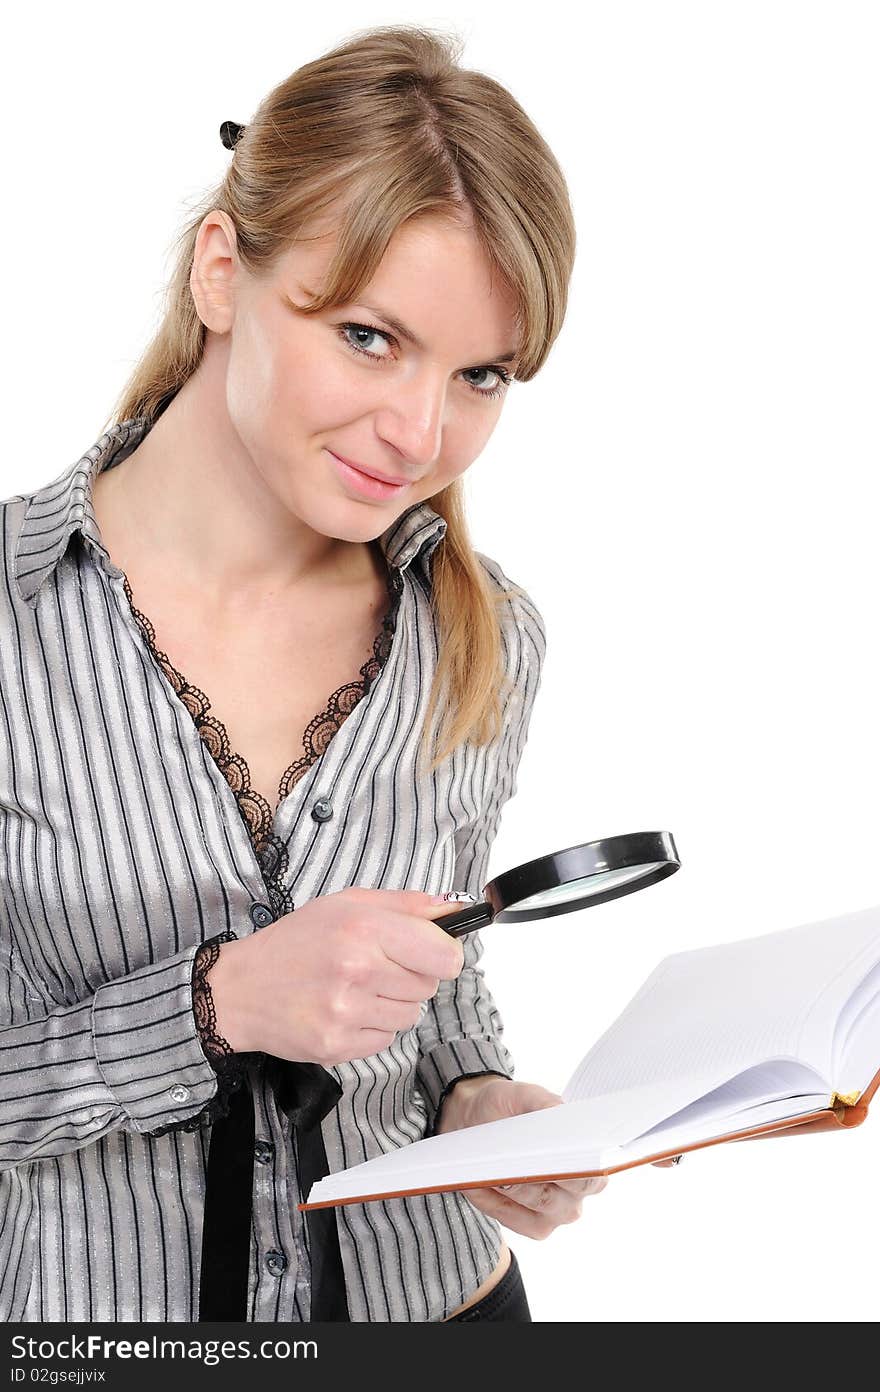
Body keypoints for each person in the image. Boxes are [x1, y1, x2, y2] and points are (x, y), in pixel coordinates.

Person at [0, 24, 618, 1324]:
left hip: (442, 1309)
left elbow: (440, 971)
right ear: (223, 272)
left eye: (482, 375)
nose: (422, 434)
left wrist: (477, 1103)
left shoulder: (481, 635)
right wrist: (214, 1006)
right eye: (370, 336)